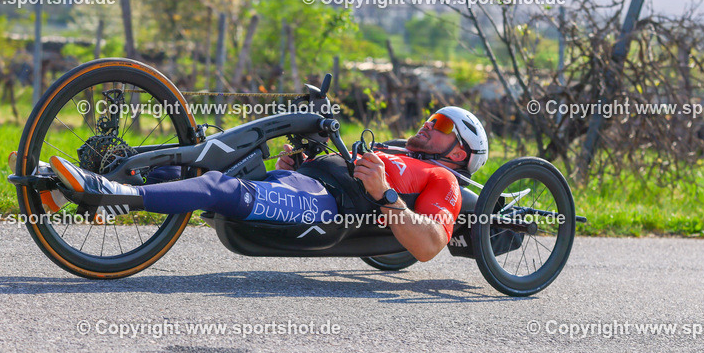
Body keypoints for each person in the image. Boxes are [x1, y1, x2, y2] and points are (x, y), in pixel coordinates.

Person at [47, 107, 488, 262]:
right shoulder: (399, 151)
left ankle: (111, 194)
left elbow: (429, 245)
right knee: (196, 163)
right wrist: (298, 160)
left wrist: (384, 194)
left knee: (222, 189)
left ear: (459, 151)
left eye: (444, 124)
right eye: (433, 117)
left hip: (326, 206)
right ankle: (64, 185)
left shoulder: (443, 178)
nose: (430, 124)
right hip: (303, 182)